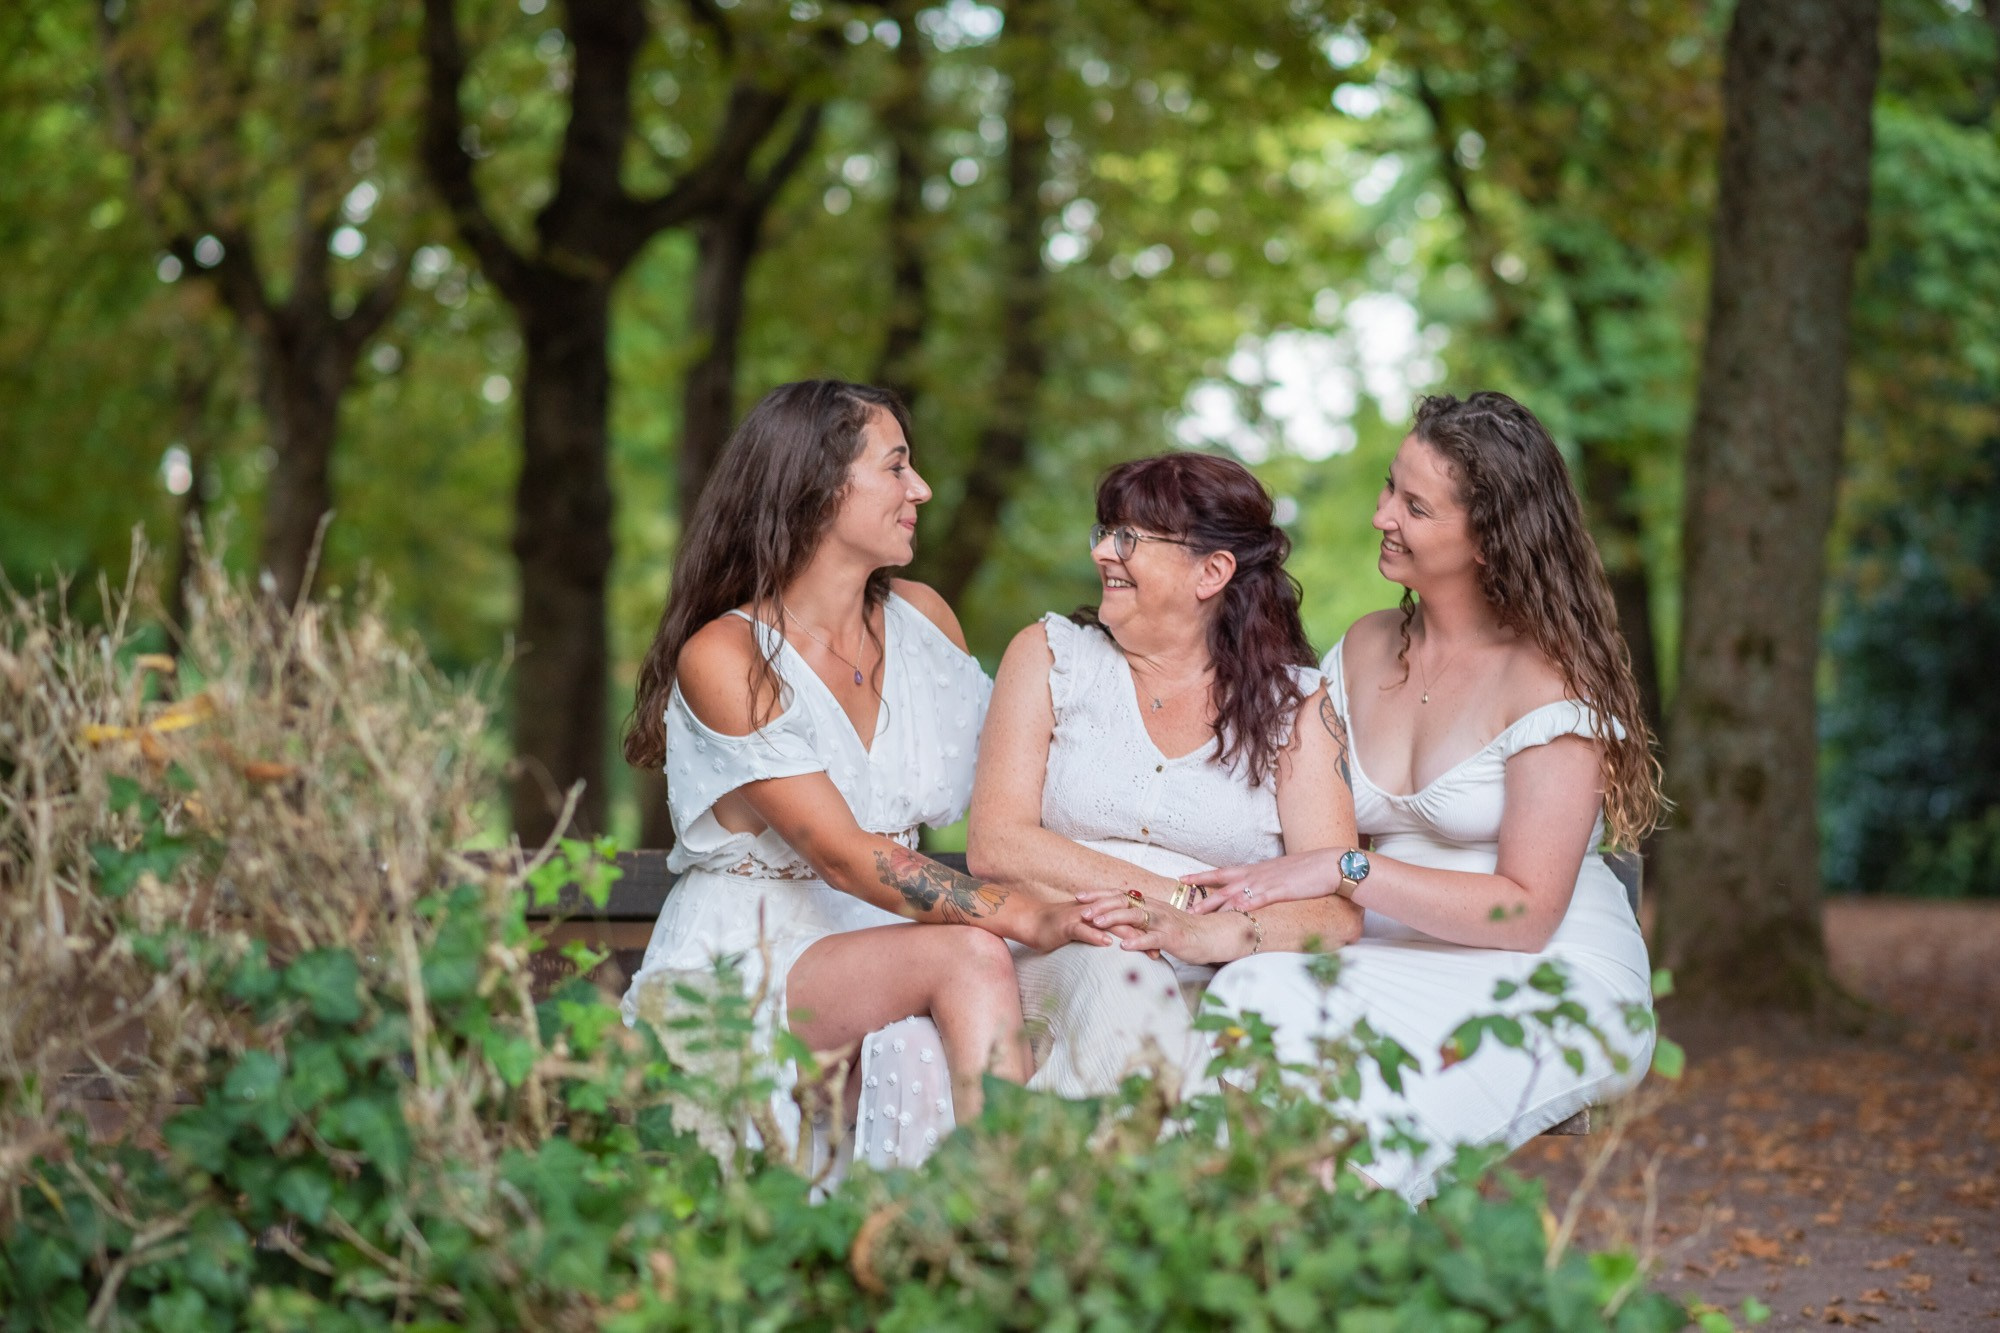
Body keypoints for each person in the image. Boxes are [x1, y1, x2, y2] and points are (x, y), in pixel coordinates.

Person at [1179, 391, 1664, 1204]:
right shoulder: (1367, 646)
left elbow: (1527, 914)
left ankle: (1345, 1263)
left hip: (1546, 975)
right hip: (1395, 957)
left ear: (1488, 538)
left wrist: (1345, 869)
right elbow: (1295, 799)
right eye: (1386, 488)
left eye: (1414, 504)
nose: (1380, 517)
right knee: (1252, 999)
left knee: (1357, 1133)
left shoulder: (1547, 681)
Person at [619, 380, 1109, 1171]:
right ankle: (1014, 1208)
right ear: (817, 485)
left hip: (887, 946)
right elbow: (843, 855)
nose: (919, 489)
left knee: (1091, 968)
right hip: (754, 956)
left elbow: (1029, 780)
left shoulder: (923, 617)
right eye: (896, 466)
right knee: (975, 956)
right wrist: (1024, 913)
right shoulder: (727, 656)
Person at [967, 452, 1364, 1096]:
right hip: (1064, 948)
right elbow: (996, 844)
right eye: (1104, 533)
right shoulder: (1049, 656)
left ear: (1212, 571)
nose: (1102, 554)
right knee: (1120, 983)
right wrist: (1166, 902)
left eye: (1129, 538)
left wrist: (1207, 933)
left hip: (1220, 963)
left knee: (1265, 1032)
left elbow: (1335, 910)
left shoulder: (1298, 707)